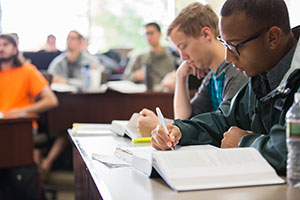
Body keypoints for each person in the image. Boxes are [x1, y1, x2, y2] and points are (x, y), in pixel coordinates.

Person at [151, 0, 300, 176]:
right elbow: (225, 119)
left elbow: (291, 150)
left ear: (272, 38)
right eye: (225, 44)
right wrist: (180, 130)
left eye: (235, 46)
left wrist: (243, 143)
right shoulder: (262, 74)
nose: (228, 58)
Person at [137, 2, 248, 132]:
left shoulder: (237, 70)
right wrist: (181, 77)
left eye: (183, 47)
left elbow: (224, 125)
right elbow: (185, 119)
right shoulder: (212, 77)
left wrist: (162, 125)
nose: (183, 57)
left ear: (206, 34)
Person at [0, 34, 58, 199]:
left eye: (5, 44)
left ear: (15, 48)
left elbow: (51, 100)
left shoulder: (27, 71)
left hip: (20, 128)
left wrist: (22, 111)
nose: (1, 48)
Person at [123, 22, 177, 91]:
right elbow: (125, 78)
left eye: (151, 33)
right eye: (146, 34)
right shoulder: (139, 57)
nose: (148, 37)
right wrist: (135, 76)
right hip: (140, 96)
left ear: (160, 34)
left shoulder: (169, 59)